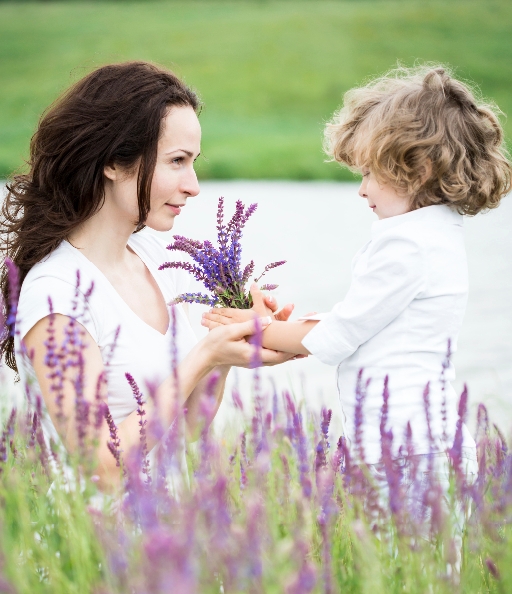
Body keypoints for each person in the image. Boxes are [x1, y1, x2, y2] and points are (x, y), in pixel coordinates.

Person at [202, 66, 512, 480]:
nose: (361, 189)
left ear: (417, 170)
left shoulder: (408, 244)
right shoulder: (432, 235)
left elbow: (342, 334)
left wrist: (259, 329)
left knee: (413, 548)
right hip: (415, 447)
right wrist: (289, 328)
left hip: (409, 455)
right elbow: (368, 321)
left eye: (369, 173)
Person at [0, 61, 291, 490]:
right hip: (97, 546)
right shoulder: (56, 294)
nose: (193, 184)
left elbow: (189, 432)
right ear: (115, 162)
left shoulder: (154, 256)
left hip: (165, 541)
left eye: (193, 162)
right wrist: (203, 356)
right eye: (177, 161)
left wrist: (226, 351)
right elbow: (100, 464)